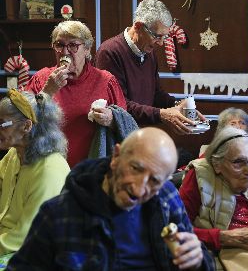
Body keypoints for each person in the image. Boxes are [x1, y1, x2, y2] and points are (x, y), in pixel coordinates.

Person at [6, 127, 214, 271]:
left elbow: (198, 258)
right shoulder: (59, 214)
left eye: (154, 181)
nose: (139, 188)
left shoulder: (166, 198)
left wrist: (199, 260)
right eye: (135, 168)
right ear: (116, 157)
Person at [179, 126, 248, 269]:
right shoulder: (199, 176)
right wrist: (224, 238)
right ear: (217, 164)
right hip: (215, 255)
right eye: (238, 162)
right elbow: (177, 231)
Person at [94, 0, 205, 135]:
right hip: (118, 139)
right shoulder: (109, 52)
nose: (161, 43)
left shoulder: (148, 51)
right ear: (138, 26)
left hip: (139, 134)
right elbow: (120, 106)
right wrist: (161, 114)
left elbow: (156, 94)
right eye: (157, 36)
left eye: (165, 37)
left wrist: (178, 106)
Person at [26, 20, 127, 168]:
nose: (65, 52)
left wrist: (111, 120)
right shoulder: (41, 79)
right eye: (59, 45)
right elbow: (23, 122)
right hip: (48, 169)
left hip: (91, 170)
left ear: (86, 50)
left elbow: (126, 124)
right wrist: (48, 91)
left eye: (73, 45)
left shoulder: (105, 80)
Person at [0, 89, 70, 268]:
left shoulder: (50, 170)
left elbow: (26, 236)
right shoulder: (14, 155)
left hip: (29, 251)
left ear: (26, 126)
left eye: (2, 123)